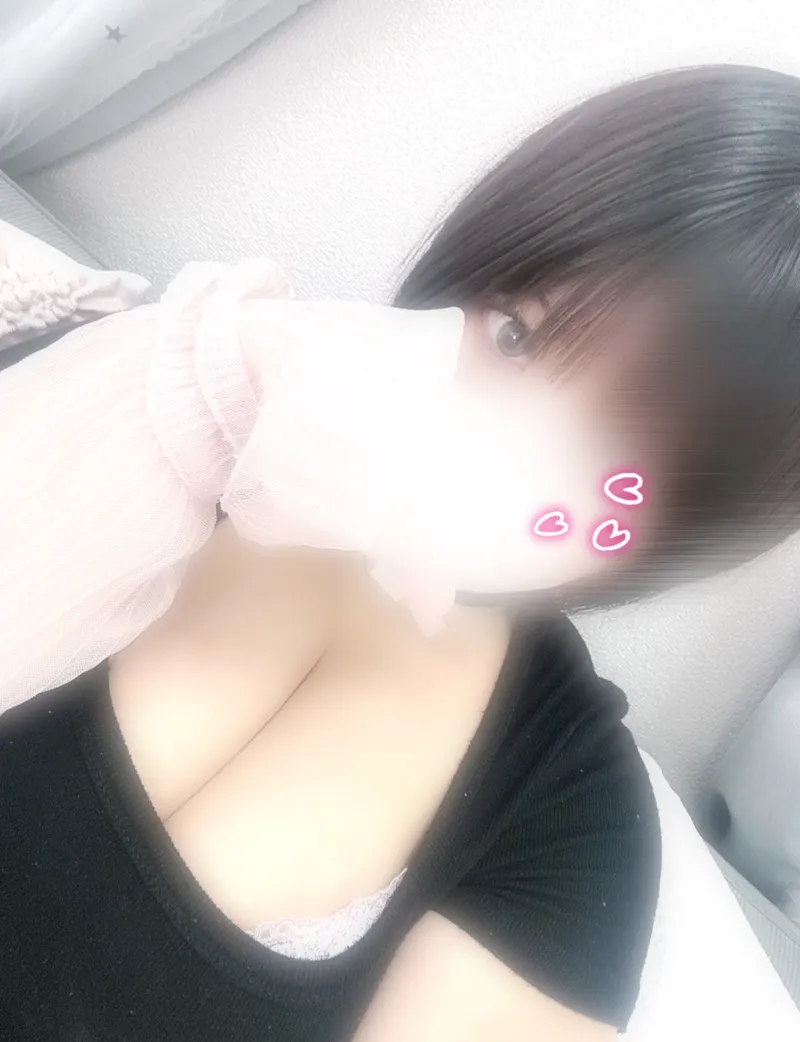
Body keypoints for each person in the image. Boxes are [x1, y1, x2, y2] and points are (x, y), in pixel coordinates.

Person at [2, 62, 800, 1041]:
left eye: (615, 457)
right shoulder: (145, 370)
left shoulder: (566, 816)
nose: (512, 449)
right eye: (515, 335)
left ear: (683, 528)